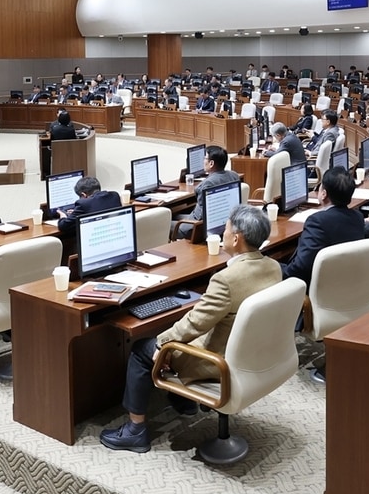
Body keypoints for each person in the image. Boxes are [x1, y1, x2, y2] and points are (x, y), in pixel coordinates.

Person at [100, 205, 281, 453]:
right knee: (170, 335)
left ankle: (135, 430)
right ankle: (184, 402)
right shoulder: (273, 266)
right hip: (251, 352)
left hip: (219, 360)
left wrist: (162, 344)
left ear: (237, 238)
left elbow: (195, 322)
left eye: (226, 229)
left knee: (143, 348)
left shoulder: (227, 279)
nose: (223, 232)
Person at [281, 167, 365, 284]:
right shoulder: (358, 217)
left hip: (319, 287)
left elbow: (301, 268)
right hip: (349, 283)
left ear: (324, 194)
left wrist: (277, 269)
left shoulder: (317, 222)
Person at [177, 145, 240, 239]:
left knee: (164, 224)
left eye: (204, 158)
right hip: (223, 224)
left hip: (196, 229)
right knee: (175, 215)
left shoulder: (207, 184)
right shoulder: (234, 175)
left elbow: (199, 218)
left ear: (211, 163)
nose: (203, 161)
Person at [57, 176, 123, 234]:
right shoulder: (114, 195)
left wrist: (63, 216)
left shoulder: (83, 204)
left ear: (83, 195)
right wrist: (76, 213)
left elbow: (63, 226)